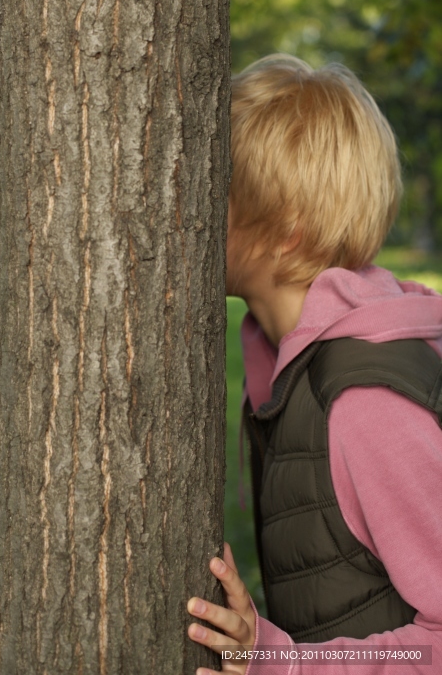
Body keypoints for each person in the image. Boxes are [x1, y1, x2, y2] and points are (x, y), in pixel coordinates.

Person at [186, 55, 442, 675]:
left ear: (287, 231)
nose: (191, 203)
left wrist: (280, 662)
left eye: (220, 188)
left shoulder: (363, 402)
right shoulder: (288, 369)